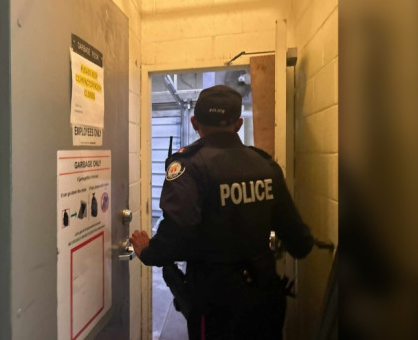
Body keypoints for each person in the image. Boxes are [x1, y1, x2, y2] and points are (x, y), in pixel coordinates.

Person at [130, 85, 314, 340]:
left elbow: (177, 238)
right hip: (265, 298)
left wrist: (147, 251)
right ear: (238, 124)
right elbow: (300, 244)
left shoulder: (188, 166)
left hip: (216, 306)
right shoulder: (265, 164)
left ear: (195, 122)